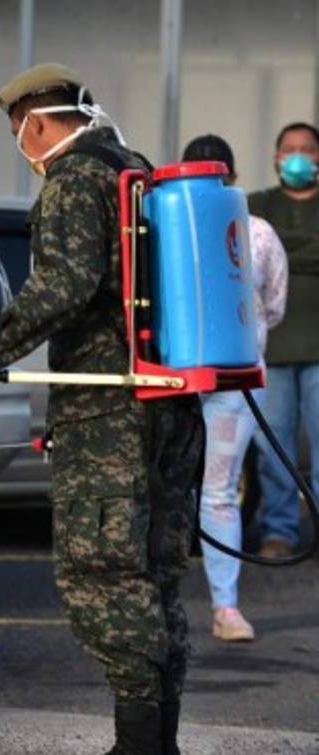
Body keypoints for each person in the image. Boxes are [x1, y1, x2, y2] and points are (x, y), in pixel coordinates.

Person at [0, 63, 204, 755]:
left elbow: (64, 286)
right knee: (155, 574)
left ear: (37, 124)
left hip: (109, 413)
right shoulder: (130, 168)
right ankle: (156, 740)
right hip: (168, 400)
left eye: (19, 130)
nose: (22, 144)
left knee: (104, 575)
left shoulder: (75, 180)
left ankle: (139, 745)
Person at [181, 135, 288, 642]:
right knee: (219, 491)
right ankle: (226, 609)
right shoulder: (259, 232)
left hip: (176, 376)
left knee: (173, 484)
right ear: (234, 172)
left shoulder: (168, 227)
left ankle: (166, 604)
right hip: (238, 377)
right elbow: (274, 307)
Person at [246, 122, 319, 559]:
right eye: (289, 149)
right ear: (275, 156)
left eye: (307, 149)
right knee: (273, 449)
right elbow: (250, 256)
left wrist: (282, 251)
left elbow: (272, 253)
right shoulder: (256, 205)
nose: (297, 156)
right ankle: (280, 532)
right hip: (269, 349)